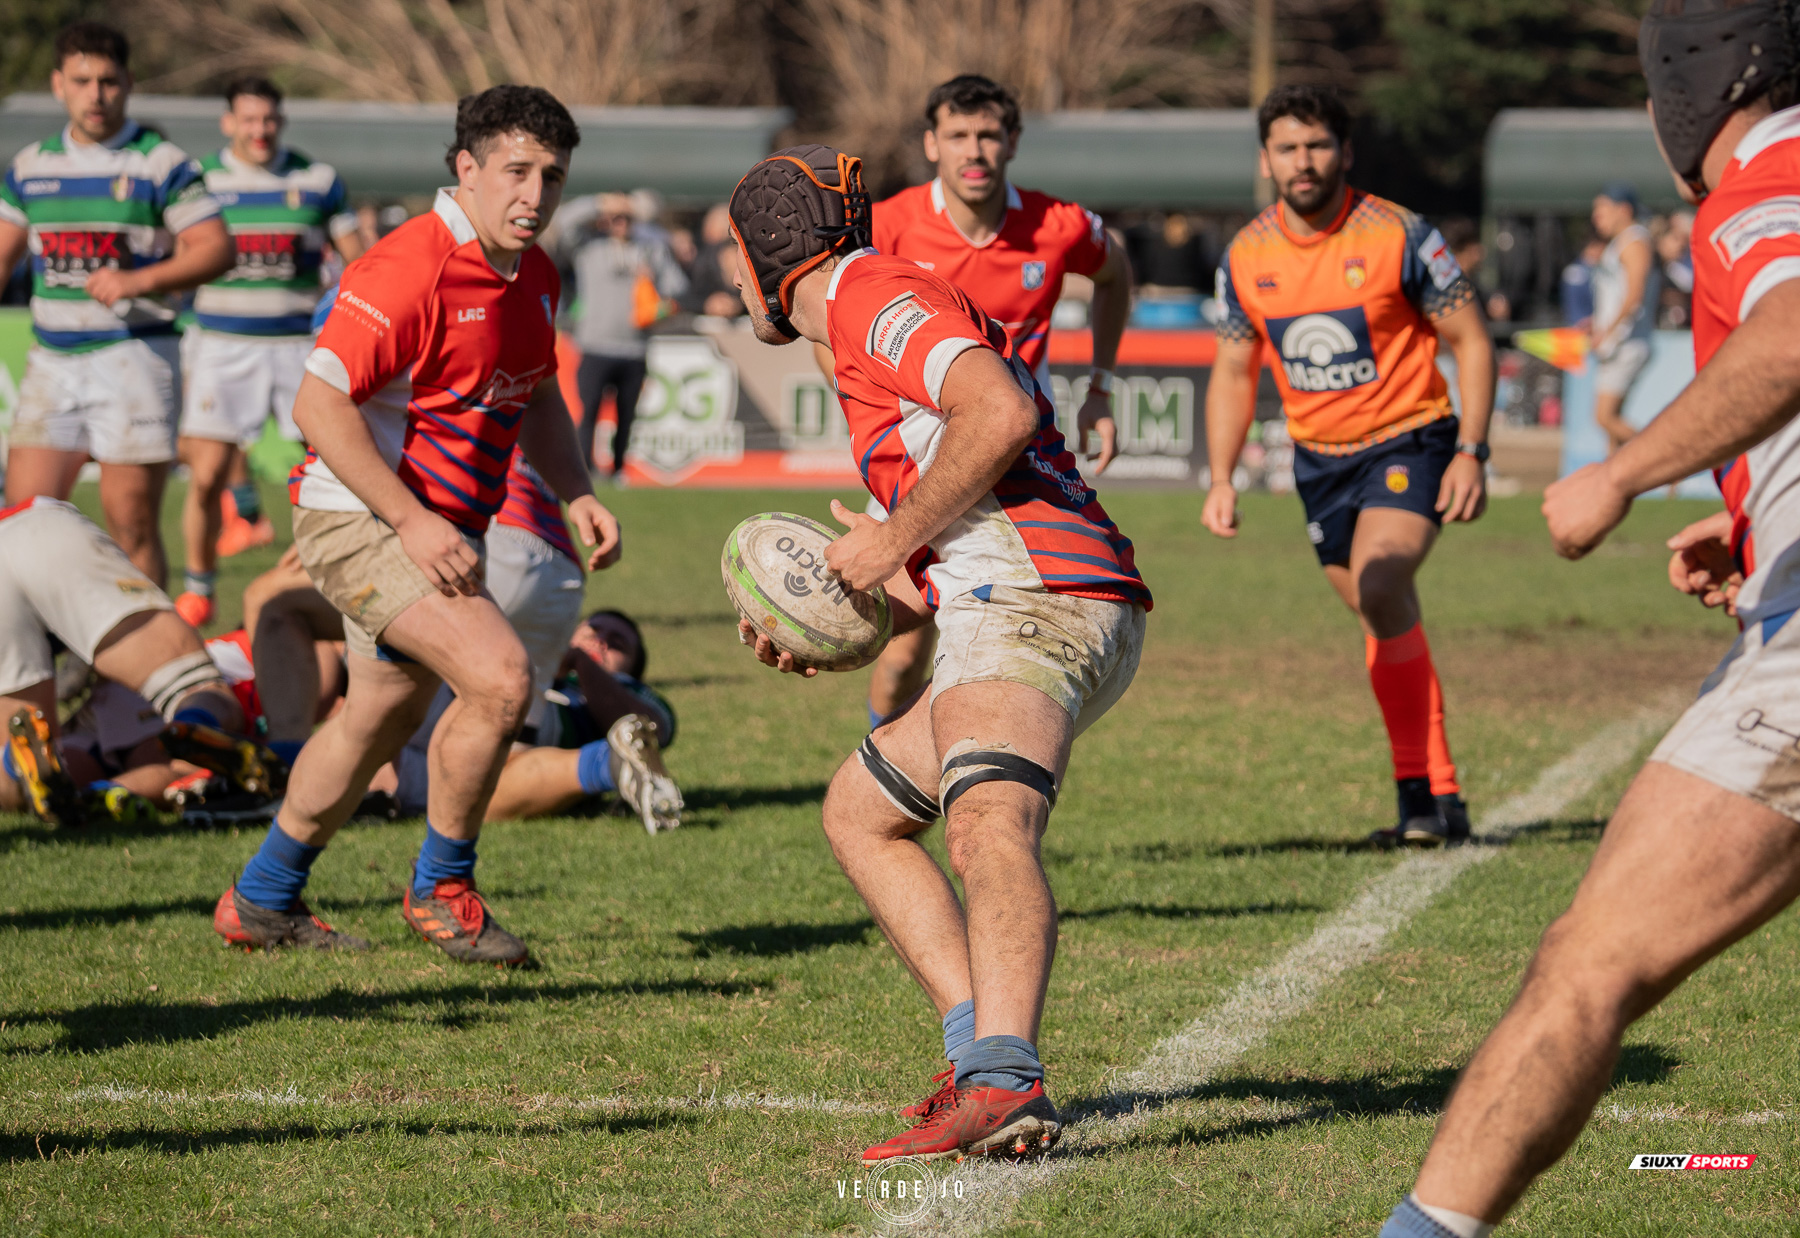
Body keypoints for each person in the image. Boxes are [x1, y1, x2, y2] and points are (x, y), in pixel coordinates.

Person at [1377, 5, 1800, 1235]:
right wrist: (1758, 518)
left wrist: (1620, 474)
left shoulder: (1765, 182)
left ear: (1695, 85)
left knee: (1586, 965)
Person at [728, 146, 1150, 1163]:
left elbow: (999, 410)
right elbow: (951, 499)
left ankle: (1005, 1081)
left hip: (1040, 591)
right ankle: (980, 1063)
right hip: (1012, 590)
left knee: (987, 819)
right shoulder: (857, 323)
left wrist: (883, 537)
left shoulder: (872, 293)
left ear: (761, 259)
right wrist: (864, 587)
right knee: (861, 812)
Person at [213, 85, 621, 964]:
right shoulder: (411, 267)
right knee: (502, 678)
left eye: (551, 176)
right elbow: (318, 406)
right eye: (516, 171)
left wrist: (577, 491)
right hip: (361, 517)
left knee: (376, 723)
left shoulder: (534, 272)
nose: (535, 195)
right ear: (465, 169)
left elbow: (538, 392)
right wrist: (409, 522)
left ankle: (262, 895)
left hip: (433, 525)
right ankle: (441, 888)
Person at [1202, 84, 1495, 847]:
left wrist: (1472, 450)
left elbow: (1471, 341)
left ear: (1346, 151)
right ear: (1266, 160)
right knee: (1384, 614)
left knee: (1381, 580)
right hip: (1318, 464)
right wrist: (1223, 478)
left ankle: (1415, 801)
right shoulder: (1246, 254)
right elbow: (1235, 373)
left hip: (1412, 440)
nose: (1305, 162)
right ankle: (1444, 795)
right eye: (1289, 148)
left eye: (1319, 145)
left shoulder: (1401, 233)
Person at [844, 74, 1133, 729]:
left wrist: (1101, 386)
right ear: (931, 144)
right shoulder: (887, 227)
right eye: (957, 135)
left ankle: (979, 776)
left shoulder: (1058, 226)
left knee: (1002, 649)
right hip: (920, 467)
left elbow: (1116, 273)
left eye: (988, 135)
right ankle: (889, 774)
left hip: (1019, 470)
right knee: (896, 657)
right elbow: (835, 323)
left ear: (1012, 143)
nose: (973, 150)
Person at [0, 22, 233, 587]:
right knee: (21, 523)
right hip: (51, 362)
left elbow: (217, 249)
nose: (96, 94)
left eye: (107, 81)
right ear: (59, 84)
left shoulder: (160, 163)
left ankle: (133, 674)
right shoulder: (31, 167)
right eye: (82, 81)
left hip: (135, 360)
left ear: (128, 82)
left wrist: (138, 280)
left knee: (131, 530)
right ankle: (43, 662)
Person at [171, 75, 364, 628]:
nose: (260, 130)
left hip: (300, 346)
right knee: (205, 474)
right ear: (228, 122)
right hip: (223, 344)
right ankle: (199, 589)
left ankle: (342, 570)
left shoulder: (318, 180)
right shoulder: (198, 180)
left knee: (336, 463)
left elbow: (360, 262)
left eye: (269, 120)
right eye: (248, 120)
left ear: (281, 121)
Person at [0, 496, 264, 827]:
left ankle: (16, 762)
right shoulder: (293, 653)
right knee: (196, 692)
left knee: (24, 767)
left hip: (26, 519)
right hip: (45, 537)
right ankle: (192, 725)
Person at [376, 607, 681, 828]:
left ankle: (608, 763)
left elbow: (654, 727)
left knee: (459, 796)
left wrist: (581, 662)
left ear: (633, 667)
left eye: (617, 643)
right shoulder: (534, 651)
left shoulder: (627, 687)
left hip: (530, 739)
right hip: (460, 708)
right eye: (594, 630)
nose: (601, 641)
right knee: (368, 747)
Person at [555, 191, 689, 478]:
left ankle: (617, 470)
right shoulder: (589, 248)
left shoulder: (649, 249)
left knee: (626, 416)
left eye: (627, 217)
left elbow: (677, 289)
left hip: (635, 348)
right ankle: (585, 470)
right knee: (588, 413)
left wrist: (657, 304)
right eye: (615, 217)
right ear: (604, 220)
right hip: (594, 345)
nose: (621, 223)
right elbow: (563, 223)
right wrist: (598, 202)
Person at [1588, 183, 1658, 453]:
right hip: (1620, 341)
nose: (1596, 217)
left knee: (1604, 417)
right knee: (1612, 426)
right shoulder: (1620, 242)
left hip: (1626, 343)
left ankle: (1663, 456)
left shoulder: (1634, 240)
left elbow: (1634, 294)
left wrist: (1609, 332)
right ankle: (1614, 485)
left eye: (1602, 209)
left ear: (1624, 210)